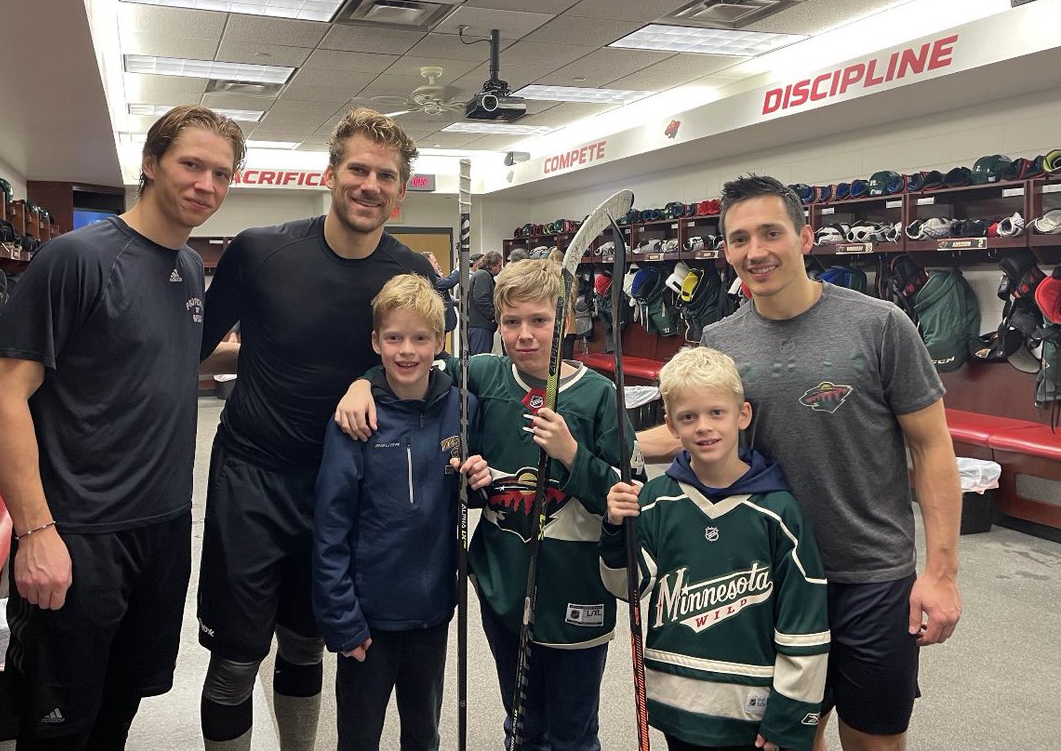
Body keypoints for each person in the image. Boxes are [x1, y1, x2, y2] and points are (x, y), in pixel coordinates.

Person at [638, 174, 961, 751]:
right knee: (788, 736)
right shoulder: (719, 339)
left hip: (869, 576)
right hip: (768, 572)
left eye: (771, 233)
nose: (756, 252)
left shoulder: (880, 324)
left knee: (874, 739)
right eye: (740, 239)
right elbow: (697, 430)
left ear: (805, 237)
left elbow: (933, 446)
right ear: (726, 251)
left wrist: (941, 572)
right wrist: (594, 448)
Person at [0, 105, 244, 750]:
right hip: (80, 532)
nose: (205, 183)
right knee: (61, 723)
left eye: (221, 173)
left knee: (121, 704)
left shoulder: (186, 271)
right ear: (151, 164)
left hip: (163, 526)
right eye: (191, 164)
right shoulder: (76, 259)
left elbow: (165, 352)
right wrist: (35, 532)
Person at [195, 108, 443, 751]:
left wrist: (367, 375)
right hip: (251, 478)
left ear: (401, 189)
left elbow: (417, 361)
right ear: (330, 174)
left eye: (385, 175)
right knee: (235, 659)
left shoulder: (409, 268)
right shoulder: (260, 249)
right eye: (357, 169)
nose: (369, 185)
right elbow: (192, 347)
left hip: (344, 489)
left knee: (308, 640)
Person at [336, 258, 633, 750]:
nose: (525, 335)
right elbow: (411, 362)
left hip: (576, 586)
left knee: (573, 731)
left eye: (540, 321)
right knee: (521, 722)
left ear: (566, 322)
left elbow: (627, 495)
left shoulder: (598, 395)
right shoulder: (484, 374)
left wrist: (572, 455)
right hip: (503, 585)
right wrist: (362, 381)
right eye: (511, 322)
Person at [602, 346, 829, 751]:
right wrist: (616, 529)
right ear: (670, 425)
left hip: (753, 715)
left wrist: (788, 716)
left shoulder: (777, 511)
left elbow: (804, 623)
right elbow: (628, 587)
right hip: (677, 704)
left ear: (743, 415)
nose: (704, 427)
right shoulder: (656, 500)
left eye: (716, 413)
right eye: (688, 417)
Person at [312, 273, 491, 751]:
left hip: (432, 614)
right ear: (375, 341)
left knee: (423, 734)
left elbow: (470, 499)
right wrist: (342, 619)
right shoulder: (356, 419)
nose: (406, 350)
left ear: (439, 341)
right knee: (358, 736)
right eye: (393, 337)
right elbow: (329, 528)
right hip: (368, 620)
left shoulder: (462, 408)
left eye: (420, 338)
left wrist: (478, 482)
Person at [467, 249, 503, 354]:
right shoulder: (483, 276)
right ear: (492, 265)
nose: (501, 269)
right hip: (481, 327)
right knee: (479, 360)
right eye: (499, 266)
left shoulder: (481, 275)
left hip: (479, 326)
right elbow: (481, 299)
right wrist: (493, 316)